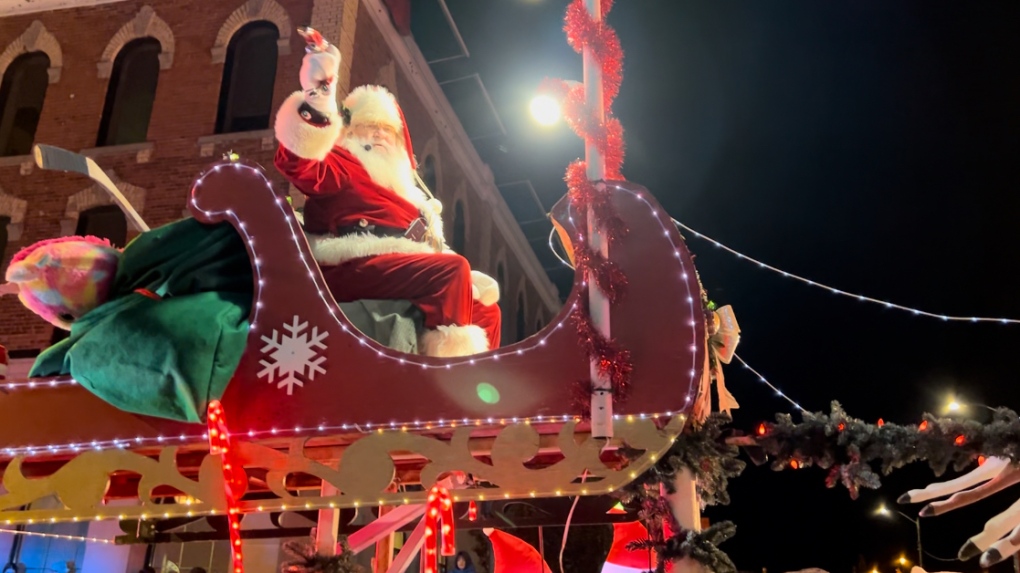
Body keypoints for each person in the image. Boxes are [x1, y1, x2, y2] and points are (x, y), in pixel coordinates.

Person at [274, 28, 501, 357]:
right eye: (370, 127)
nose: (380, 135)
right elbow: (298, 163)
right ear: (352, 131)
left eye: (388, 130)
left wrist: (467, 279)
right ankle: (448, 383)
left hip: (398, 266)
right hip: (349, 264)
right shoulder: (345, 162)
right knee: (452, 273)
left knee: (485, 311)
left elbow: (431, 247)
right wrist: (318, 93)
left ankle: (480, 385)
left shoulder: (411, 193)